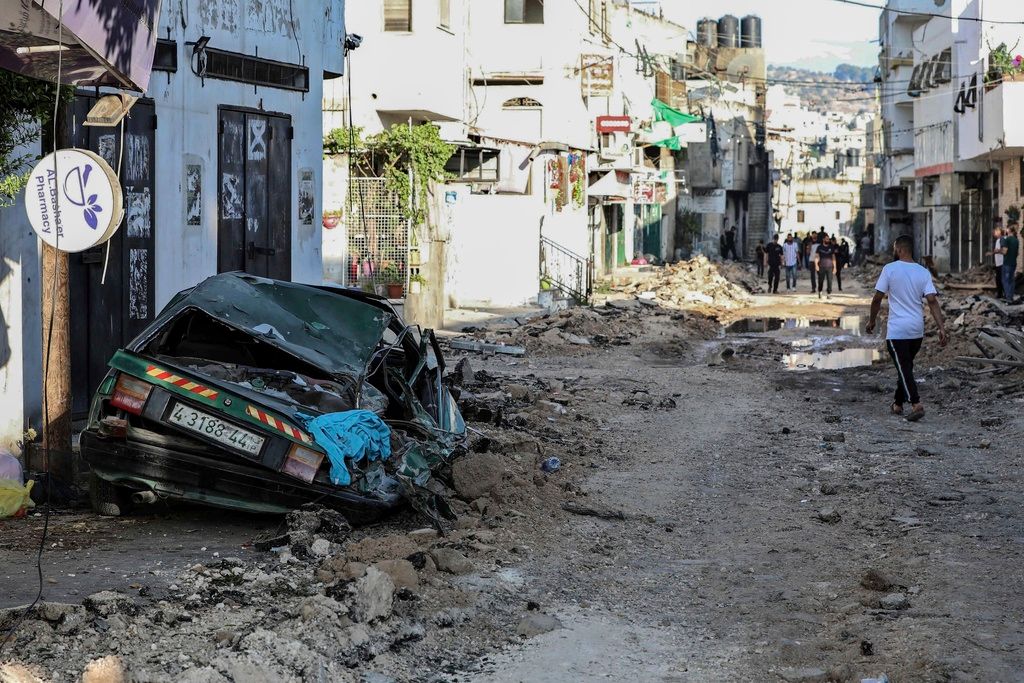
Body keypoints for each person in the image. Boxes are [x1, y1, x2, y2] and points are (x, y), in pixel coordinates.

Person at [866, 235, 948, 422]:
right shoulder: (923, 272)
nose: (894, 251)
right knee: (905, 367)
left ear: (900, 249)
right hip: (916, 331)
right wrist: (941, 328)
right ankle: (897, 403)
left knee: (904, 367)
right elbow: (932, 301)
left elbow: (877, 298)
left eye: (895, 248)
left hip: (897, 331)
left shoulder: (890, 269)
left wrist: (872, 321)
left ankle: (916, 403)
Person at [1001, 224, 1019, 302]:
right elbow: (1017, 253)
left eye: (1006, 229)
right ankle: (1010, 296)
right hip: (1013, 263)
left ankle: (1008, 297)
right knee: (1011, 280)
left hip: (1007, 262)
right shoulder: (1016, 240)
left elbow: (1004, 252)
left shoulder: (1007, 240)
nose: (1005, 230)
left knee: (1005, 280)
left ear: (1009, 230)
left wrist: (999, 251)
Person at [987, 227, 1004, 299]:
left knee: (1000, 279)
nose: (994, 233)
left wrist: (992, 252)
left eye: (995, 232)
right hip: (998, 263)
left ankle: (1001, 294)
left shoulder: (1003, 239)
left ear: (999, 232)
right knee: (998, 279)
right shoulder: (998, 240)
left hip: (1002, 263)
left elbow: (1003, 250)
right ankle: (1000, 293)